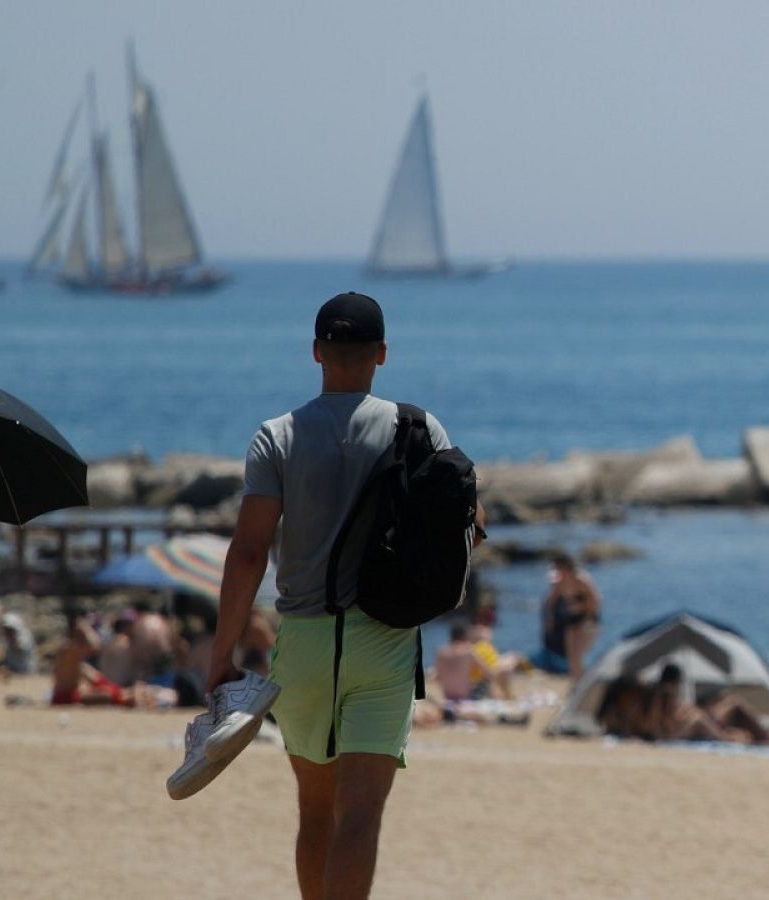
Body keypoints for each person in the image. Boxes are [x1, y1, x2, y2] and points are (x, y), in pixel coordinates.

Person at [207, 292, 481, 900]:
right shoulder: (418, 428)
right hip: (385, 640)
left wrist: (222, 654)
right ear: (382, 353)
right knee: (361, 815)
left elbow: (248, 553)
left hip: (304, 641)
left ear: (316, 352)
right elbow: (465, 521)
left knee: (315, 811)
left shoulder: (276, 436)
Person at [542, 554, 601, 679]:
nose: (557, 571)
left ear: (566, 567)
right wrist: (550, 619)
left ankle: (583, 680)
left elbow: (594, 600)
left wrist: (589, 619)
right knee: (571, 656)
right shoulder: (560, 583)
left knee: (578, 654)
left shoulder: (581, 580)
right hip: (571, 620)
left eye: (559, 568)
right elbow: (550, 601)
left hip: (586, 620)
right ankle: (575, 682)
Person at [433, 623, 499, 703]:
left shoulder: (441, 652)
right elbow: (489, 672)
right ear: (464, 636)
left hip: (447, 696)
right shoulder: (467, 651)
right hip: (465, 697)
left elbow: (437, 676)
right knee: (486, 682)